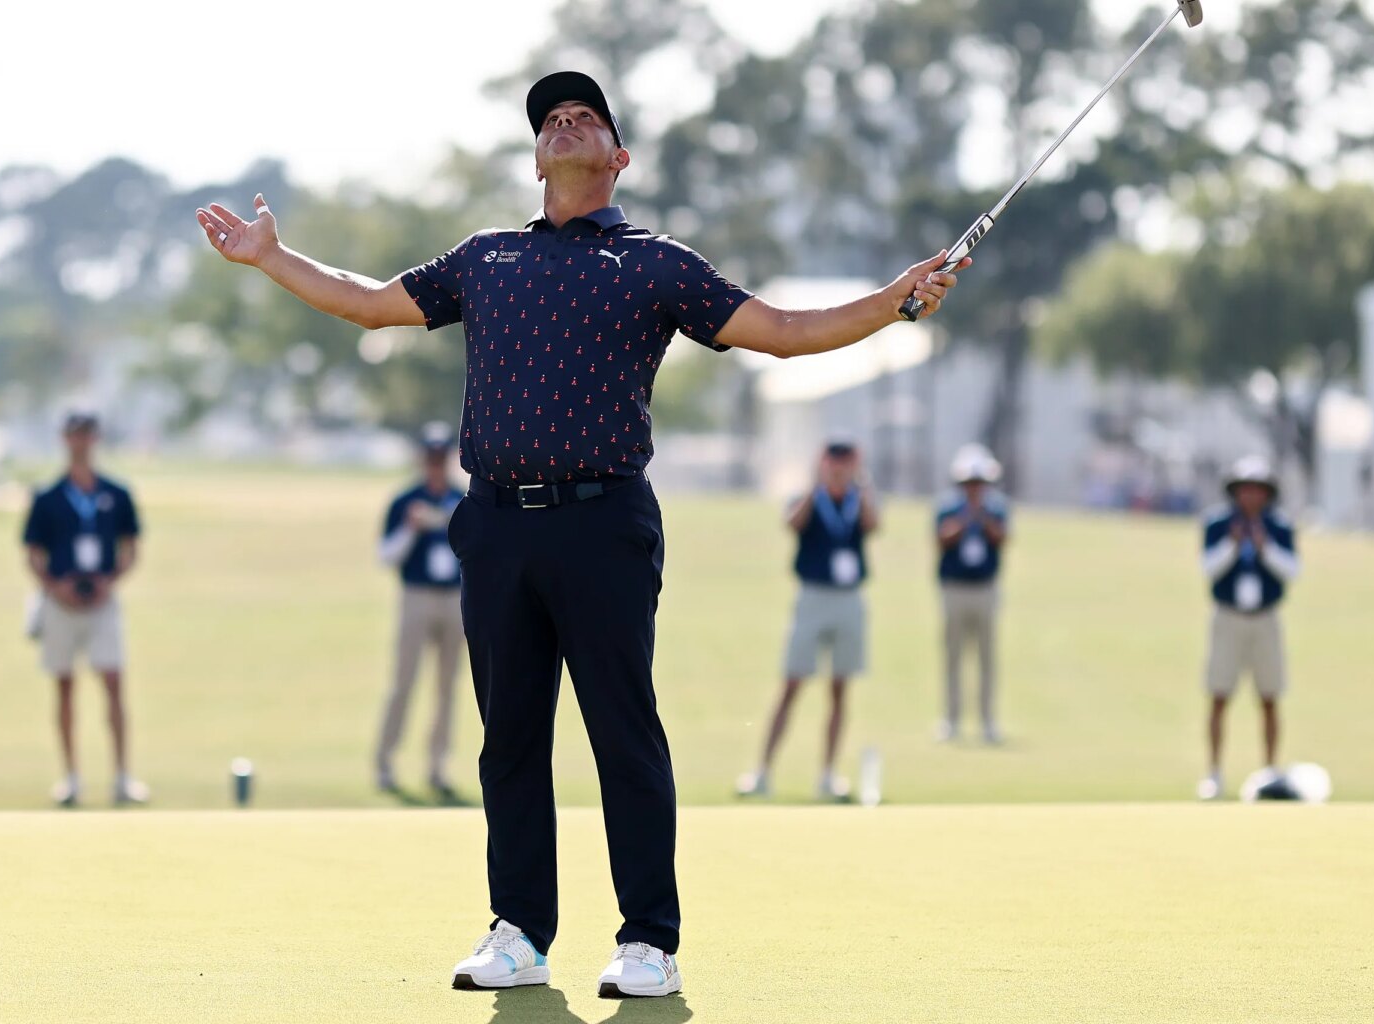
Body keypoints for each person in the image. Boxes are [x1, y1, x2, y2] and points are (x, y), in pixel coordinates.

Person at [196, 69, 965, 998]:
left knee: (622, 731)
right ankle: (519, 931)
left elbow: (788, 330)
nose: (563, 124)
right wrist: (272, 258)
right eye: (550, 120)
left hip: (604, 523)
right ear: (535, 159)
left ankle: (649, 940)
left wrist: (895, 297)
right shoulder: (486, 258)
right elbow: (368, 302)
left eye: (584, 117)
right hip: (494, 524)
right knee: (509, 736)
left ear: (617, 155)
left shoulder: (654, 263)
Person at [737, 439, 878, 801]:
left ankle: (829, 775)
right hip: (813, 596)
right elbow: (793, 523)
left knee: (839, 688)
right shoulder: (809, 496)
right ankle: (762, 772)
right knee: (792, 684)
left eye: (846, 461)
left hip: (848, 597)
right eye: (834, 460)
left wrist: (859, 487)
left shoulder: (858, 496)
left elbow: (872, 525)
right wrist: (818, 488)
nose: (840, 467)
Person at [22, 412, 148, 807]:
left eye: (87, 435)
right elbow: (33, 553)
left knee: (112, 682)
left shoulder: (116, 493)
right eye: (74, 435)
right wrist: (55, 587)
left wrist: (109, 582)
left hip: (102, 601)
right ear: (65, 439)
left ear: (95, 439)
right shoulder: (48, 497)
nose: (81, 442)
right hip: (61, 603)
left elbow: (131, 549)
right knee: (64, 686)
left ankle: (122, 777)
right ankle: (71, 778)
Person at [375, 422, 467, 800]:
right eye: (430, 459)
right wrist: (411, 528)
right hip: (416, 596)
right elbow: (385, 556)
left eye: (440, 459)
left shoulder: (461, 499)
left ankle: (437, 766)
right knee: (403, 683)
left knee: (447, 687)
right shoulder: (405, 500)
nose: (435, 466)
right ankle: (384, 763)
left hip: (454, 598)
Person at [1198, 456, 1299, 801]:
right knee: (1219, 695)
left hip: (1265, 617)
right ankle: (1213, 772)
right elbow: (1209, 567)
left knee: (1269, 696)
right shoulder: (1219, 524)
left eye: (1257, 490)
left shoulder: (1277, 527)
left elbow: (1291, 571)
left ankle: (1269, 770)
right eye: (1245, 490)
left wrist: (1263, 547)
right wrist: (1233, 543)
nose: (1251, 497)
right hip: (1228, 616)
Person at [934, 445, 1009, 744]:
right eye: (970, 483)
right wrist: (966, 518)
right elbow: (941, 538)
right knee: (953, 656)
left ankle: (987, 721)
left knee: (986, 657)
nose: (975, 489)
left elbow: (1002, 537)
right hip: (954, 588)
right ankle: (951, 720)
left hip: (985, 588)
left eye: (980, 483)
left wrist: (983, 517)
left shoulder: (996, 507)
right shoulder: (949, 507)